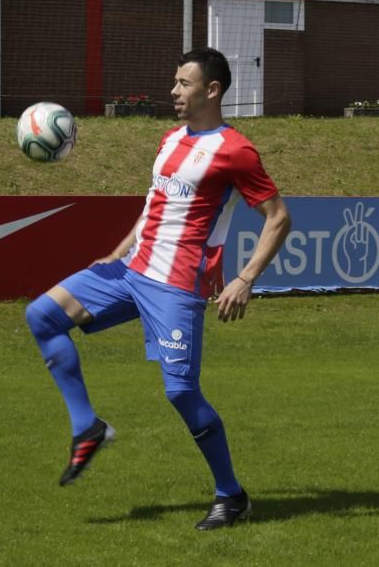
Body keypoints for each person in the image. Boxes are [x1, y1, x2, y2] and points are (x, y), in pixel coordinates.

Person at [25, 47, 291, 531]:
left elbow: (278, 218)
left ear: (212, 90)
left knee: (181, 393)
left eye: (184, 84)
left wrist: (245, 278)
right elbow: (154, 206)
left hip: (177, 285)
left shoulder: (235, 150)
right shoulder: (170, 140)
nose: (173, 91)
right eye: (174, 82)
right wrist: (119, 249)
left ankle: (232, 497)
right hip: (131, 271)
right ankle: (87, 425)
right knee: (42, 316)